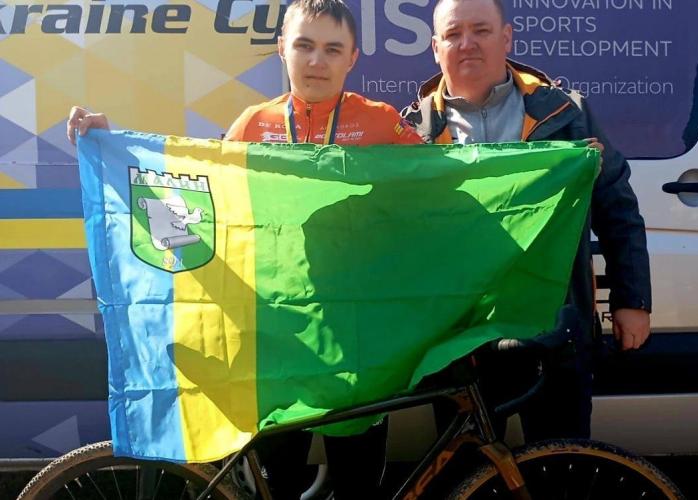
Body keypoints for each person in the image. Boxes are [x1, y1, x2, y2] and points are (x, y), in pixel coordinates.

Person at [67, 1, 422, 498]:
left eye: (331, 49)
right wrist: (115, 148)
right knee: (278, 486)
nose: (316, 61)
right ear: (282, 49)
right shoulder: (254, 125)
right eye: (304, 45)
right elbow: (201, 200)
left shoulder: (382, 123)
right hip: (275, 338)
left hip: (357, 337)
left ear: (352, 58)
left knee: (359, 487)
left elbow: (439, 196)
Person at [401, 0, 652, 442]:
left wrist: (632, 301)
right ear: (436, 47)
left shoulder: (568, 114)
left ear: (507, 38)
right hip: (457, 340)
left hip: (553, 329)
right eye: (454, 34)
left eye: (481, 30)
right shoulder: (409, 132)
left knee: (560, 464)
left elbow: (617, 208)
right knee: (471, 470)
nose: (467, 43)